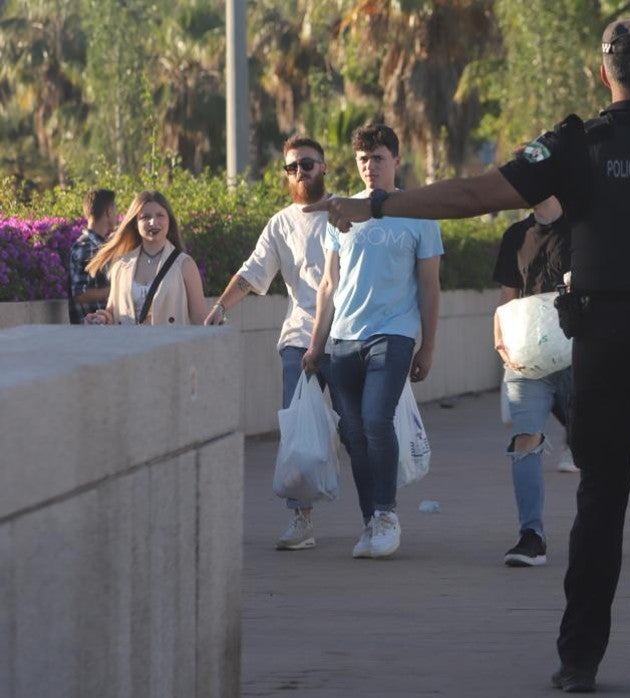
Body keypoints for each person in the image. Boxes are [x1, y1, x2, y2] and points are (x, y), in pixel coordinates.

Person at [305, 17, 630, 693]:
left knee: (599, 503)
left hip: (602, 345)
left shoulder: (577, 144)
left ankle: (579, 665)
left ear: (603, 73)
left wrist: (378, 205)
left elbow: (473, 194)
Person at [302, 123, 443, 560]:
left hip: (394, 334)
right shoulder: (342, 210)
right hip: (343, 338)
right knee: (353, 432)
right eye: (363, 159)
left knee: (378, 421)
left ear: (396, 161)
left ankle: (387, 514)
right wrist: (315, 343)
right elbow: (328, 283)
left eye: (378, 158)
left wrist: (428, 346)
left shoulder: (418, 213)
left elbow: (430, 286)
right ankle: (370, 521)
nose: (370, 167)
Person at [205, 135, 338, 550]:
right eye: (292, 167)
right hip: (299, 337)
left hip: (349, 334)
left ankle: (377, 516)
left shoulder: (346, 212)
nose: (300, 172)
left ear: (324, 167)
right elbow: (252, 272)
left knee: (359, 430)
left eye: (308, 164)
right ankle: (301, 519)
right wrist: (221, 307)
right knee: (297, 430)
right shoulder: (280, 223)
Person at [492, 195, 574, 567]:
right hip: (528, 360)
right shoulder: (516, 235)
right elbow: (507, 300)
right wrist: (501, 340)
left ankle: (599, 530)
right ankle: (531, 535)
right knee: (525, 437)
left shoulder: (583, 230)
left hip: (578, 357)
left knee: (595, 446)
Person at [84, 191, 209, 326]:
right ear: (135, 223)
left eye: (160, 215)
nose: (153, 222)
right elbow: (114, 311)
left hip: (169, 346)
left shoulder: (184, 264)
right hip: (130, 345)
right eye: (145, 217)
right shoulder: (121, 265)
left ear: (169, 220)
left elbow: (200, 318)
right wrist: (103, 318)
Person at [68, 189, 118, 324]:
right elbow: (80, 294)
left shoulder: (100, 245)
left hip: (102, 329)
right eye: (115, 209)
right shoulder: (86, 247)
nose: (117, 215)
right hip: (91, 332)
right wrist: (116, 290)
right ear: (108, 211)